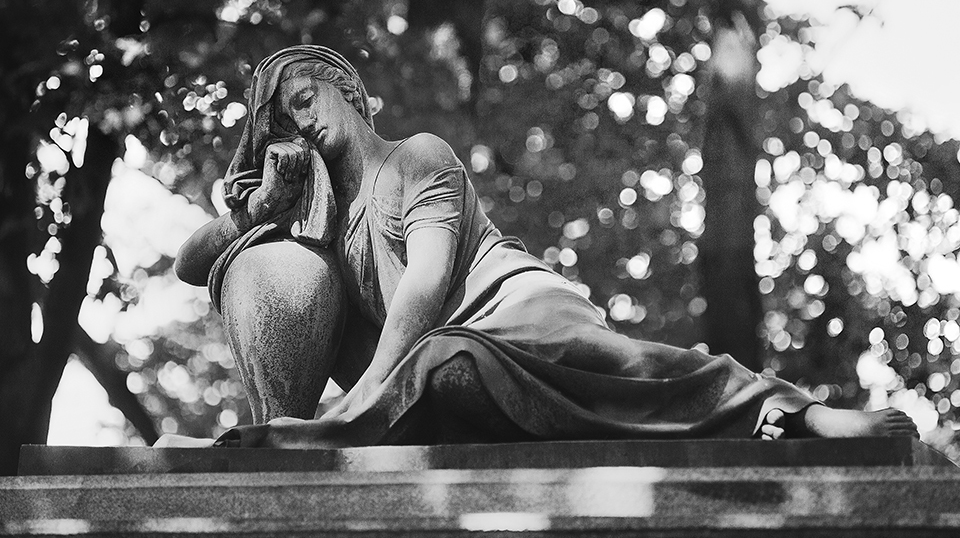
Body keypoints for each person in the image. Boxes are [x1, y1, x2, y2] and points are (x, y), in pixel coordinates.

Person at [173, 44, 917, 448]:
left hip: (511, 307)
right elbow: (190, 264)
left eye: (306, 101)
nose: (301, 126)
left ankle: (790, 410)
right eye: (285, 125)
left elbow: (425, 286)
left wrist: (356, 408)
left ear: (347, 88)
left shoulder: (417, 158)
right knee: (453, 372)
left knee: (621, 365)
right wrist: (261, 211)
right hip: (434, 363)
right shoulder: (314, 218)